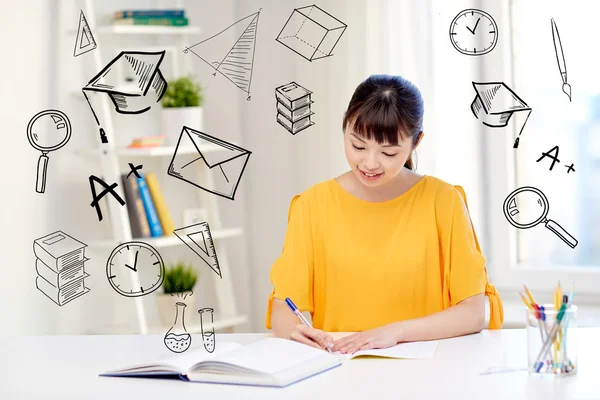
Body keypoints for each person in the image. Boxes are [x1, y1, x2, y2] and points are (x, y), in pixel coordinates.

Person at [265, 74, 503, 354]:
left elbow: (472, 312)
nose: (369, 163)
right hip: (339, 369)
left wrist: (395, 332)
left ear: (416, 142)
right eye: (357, 146)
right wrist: (297, 332)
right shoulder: (312, 205)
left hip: (428, 372)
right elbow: (284, 308)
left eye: (388, 153)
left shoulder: (444, 201)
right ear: (344, 128)